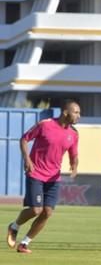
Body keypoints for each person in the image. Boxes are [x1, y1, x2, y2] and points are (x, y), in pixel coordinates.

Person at [6, 100, 81, 254]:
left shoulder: (73, 134)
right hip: (36, 172)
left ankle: (24, 244)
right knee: (35, 210)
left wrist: (74, 165)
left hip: (53, 178)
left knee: (47, 212)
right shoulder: (45, 125)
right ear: (65, 113)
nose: (79, 116)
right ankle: (14, 226)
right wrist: (27, 159)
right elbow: (24, 139)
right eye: (76, 112)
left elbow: (74, 154)